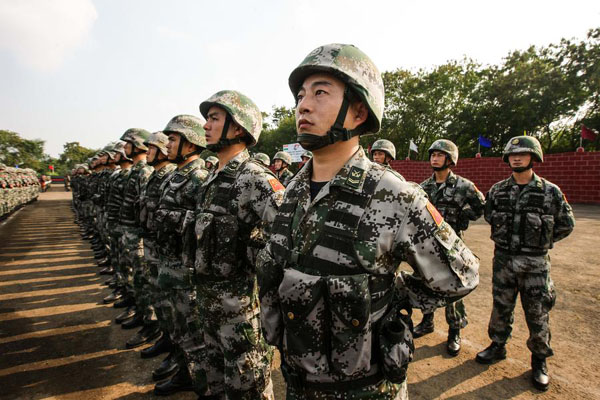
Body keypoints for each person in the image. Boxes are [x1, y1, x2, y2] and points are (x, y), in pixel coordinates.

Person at [256, 43, 479, 400]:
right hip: (298, 385)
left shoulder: (392, 193)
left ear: (358, 111)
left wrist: (393, 295)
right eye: (300, 95)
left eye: (320, 93)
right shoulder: (293, 190)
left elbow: (462, 274)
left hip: (366, 389)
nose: (303, 105)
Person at [190, 90, 284, 399]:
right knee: (214, 387)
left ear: (238, 128)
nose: (206, 125)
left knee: (248, 391)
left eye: (214, 118)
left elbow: (287, 239)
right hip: (207, 307)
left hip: (240, 315)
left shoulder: (255, 179)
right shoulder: (209, 178)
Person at [475, 135, 575, 392]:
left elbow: (566, 224)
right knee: (501, 306)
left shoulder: (549, 192)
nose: (516, 158)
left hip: (535, 265)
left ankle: (539, 360)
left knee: (537, 313)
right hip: (504, 260)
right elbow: (489, 216)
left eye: (522, 154)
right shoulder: (498, 190)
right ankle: (497, 346)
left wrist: (539, 244)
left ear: (534, 157)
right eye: (512, 154)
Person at [153, 115, 209, 396]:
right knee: (177, 331)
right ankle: (185, 374)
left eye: (173, 140)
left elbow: (204, 225)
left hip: (186, 270)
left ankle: (200, 384)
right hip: (168, 264)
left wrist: (170, 217)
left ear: (190, 143)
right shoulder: (175, 175)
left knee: (194, 337)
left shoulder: (199, 177)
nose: (167, 146)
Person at [414, 139, 485, 356]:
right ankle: (427, 322)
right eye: (432, 155)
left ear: (450, 159)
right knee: (426, 283)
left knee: (454, 287)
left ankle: (455, 331)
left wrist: (464, 216)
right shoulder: (424, 187)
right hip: (428, 245)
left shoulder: (464, 186)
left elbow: (481, 206)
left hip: (452, 247)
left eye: (439, 155)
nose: (434, 158)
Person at [138, 132, 177, 359]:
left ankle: (179, 356)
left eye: (151, 148)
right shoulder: (157, 176)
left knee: (175, 311)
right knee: (160, 300)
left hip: (172, 255)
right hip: (155, 246)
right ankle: (167, 340)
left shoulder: (173, 176)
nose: (147, 153)